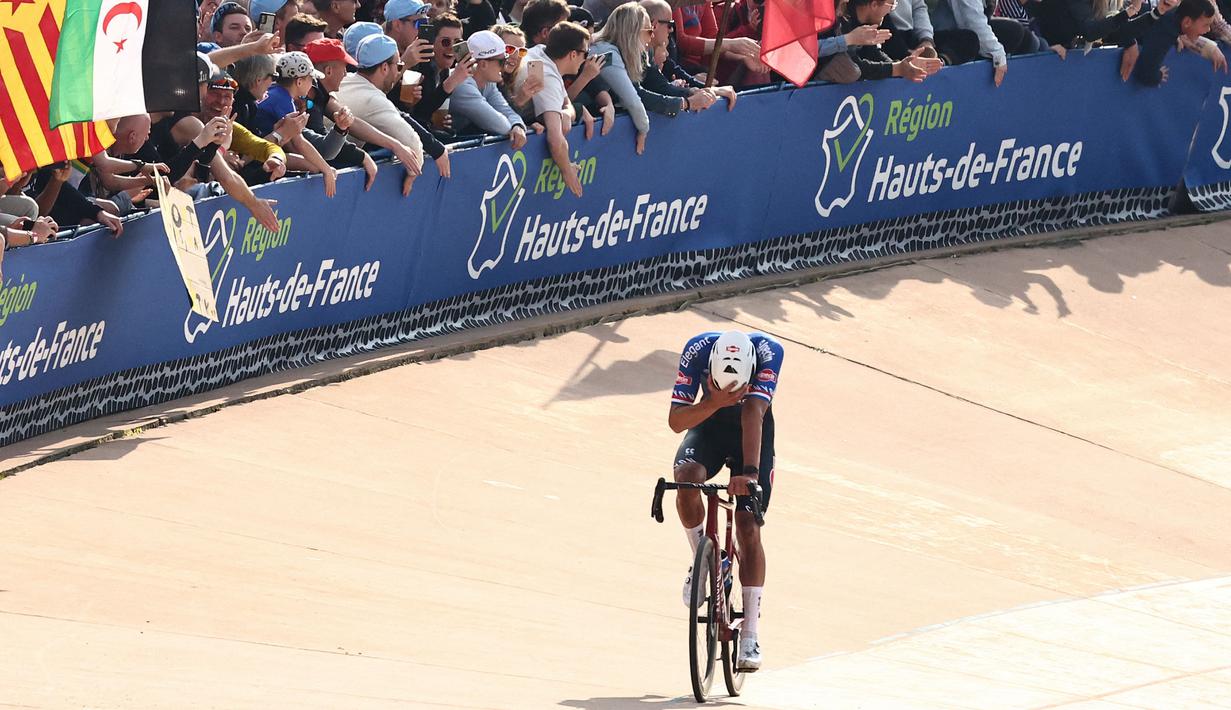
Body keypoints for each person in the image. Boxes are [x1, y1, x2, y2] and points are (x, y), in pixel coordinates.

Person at [669, 330, 784, 672]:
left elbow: (753, 413)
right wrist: (714, 402)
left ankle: (750, 633)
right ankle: (704, 560)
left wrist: (749, 473)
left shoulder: (768, 352)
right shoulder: (698, 349)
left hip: (753, 430)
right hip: (710, 425)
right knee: (685, 479)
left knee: (748, 526)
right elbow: (676, 421)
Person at [514, 21, 591, 196]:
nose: (585, 60)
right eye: (585, 54)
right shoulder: (547, 78)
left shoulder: (542, 52)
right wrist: (567, 171)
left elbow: (567, 104)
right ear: (573, 54)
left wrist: (566, 114)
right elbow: (556, 139)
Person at [448, 31, 530, 145]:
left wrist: (518, 125)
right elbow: (501, 126)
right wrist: (515, 127)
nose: (505, 65)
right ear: (483, 65)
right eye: (502, 61)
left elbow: (506, 111)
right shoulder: (462, 86)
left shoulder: (488, 83)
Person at [1132, 0, 1228, 84]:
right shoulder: (1166, 33)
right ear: (1187, 22)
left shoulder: (1175, 18)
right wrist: (1159, 76)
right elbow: (1146, 74)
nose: (1208, 29)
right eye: (1205, 25)